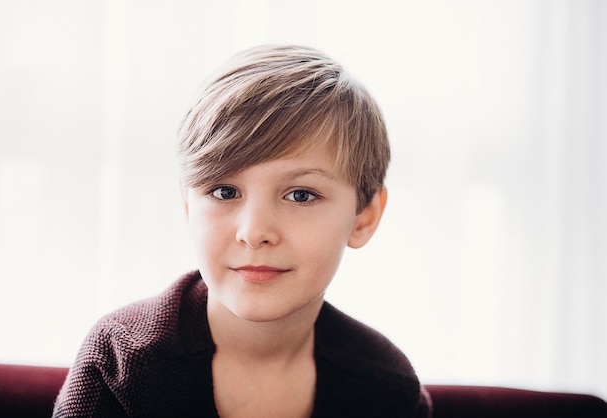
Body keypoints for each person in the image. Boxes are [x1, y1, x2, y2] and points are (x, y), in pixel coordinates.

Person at [53, 44, 431, 418]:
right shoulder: (124, 363)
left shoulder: (386, 386)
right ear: (188, 207)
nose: (254, 232)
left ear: (363, 216)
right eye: (224, 191)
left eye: (301, 195)